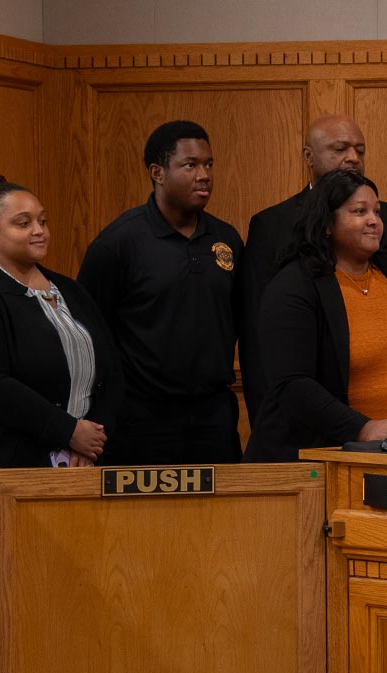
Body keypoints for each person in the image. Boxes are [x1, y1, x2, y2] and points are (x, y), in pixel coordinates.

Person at [243, 169, 387, 462]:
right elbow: (293, 384)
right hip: (331, 461)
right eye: (359, 211)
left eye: (377, 212)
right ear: (327, 224)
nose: (373, 221)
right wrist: (362, 428)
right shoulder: (294, 286)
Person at [238, 114, 387, 422]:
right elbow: (257, 338)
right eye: (340, 149)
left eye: (360, 150)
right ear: (309, 156)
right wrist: (266, 416)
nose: (352, 158)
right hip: (313, 423)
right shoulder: (272, 225)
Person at [0, 173, 121, 468]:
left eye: (43, 221)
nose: (39, 231)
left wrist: (91, 442)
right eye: (23, 223)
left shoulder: (71, 291)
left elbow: (112, 370)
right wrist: (69, 432)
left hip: (76, 462)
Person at [77, 121, 244, 464]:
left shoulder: (226, 238)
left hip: (213, 415)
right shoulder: (118, 243)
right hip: (141, 418)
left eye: (209, 164)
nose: (204, 175)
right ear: (158, 173)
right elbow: (88, 334)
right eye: (190, 165)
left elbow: (244, 321)